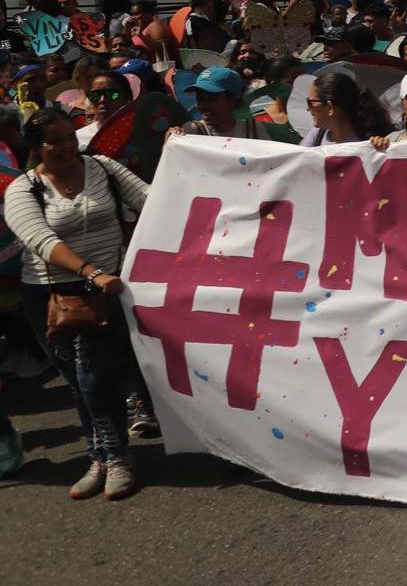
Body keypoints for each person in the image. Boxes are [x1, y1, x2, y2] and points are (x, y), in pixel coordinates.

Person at [3, 108, 150, 499]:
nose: (67, 147)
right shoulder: (22, 189)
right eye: (55, 141)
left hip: (108, 290)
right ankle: (99, 456)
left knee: (95, 376)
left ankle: (117, 457)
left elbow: (150, 197)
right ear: (36, 147)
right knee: (77, 380)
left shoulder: (103, 168)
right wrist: (89, 271)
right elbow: (40, 241)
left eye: (70, 137)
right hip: (50, 296)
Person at [169, 67, 283, 141]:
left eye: (212, 99)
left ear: (233, 99)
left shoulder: (253, 130)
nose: (204, 105)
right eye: (200, 99)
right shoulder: (192, 131)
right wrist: (170, 144)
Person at [300, 73, 394, 146]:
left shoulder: (371, 143)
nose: (308, 108)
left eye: (310, 103)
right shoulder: (316, 136)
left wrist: (383, 148)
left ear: (330, 108)